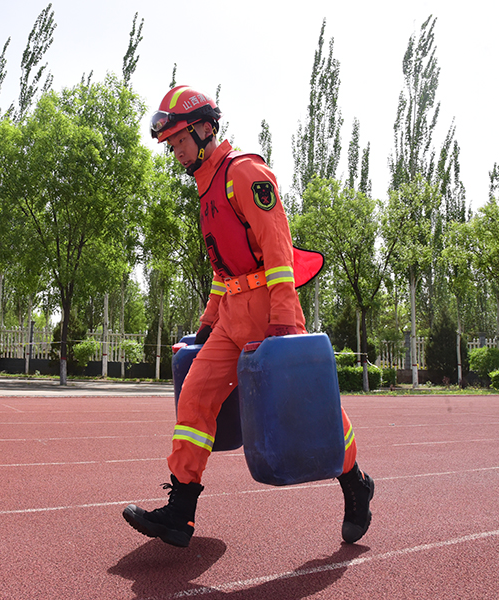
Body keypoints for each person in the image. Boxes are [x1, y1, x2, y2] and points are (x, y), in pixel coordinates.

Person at [122, 85, 374, 548]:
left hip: (270, 314)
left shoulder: (244, 174)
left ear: (204, 129)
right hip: (232, 320)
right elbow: (224, 273)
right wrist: (205, 324)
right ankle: (181, 511)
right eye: (171, 143)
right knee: (194, 395)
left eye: (179, 140)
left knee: (310, 411)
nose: (175, 151)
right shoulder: (206, 193)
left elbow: (278, 249)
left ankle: (355, 483)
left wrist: (284, 319)